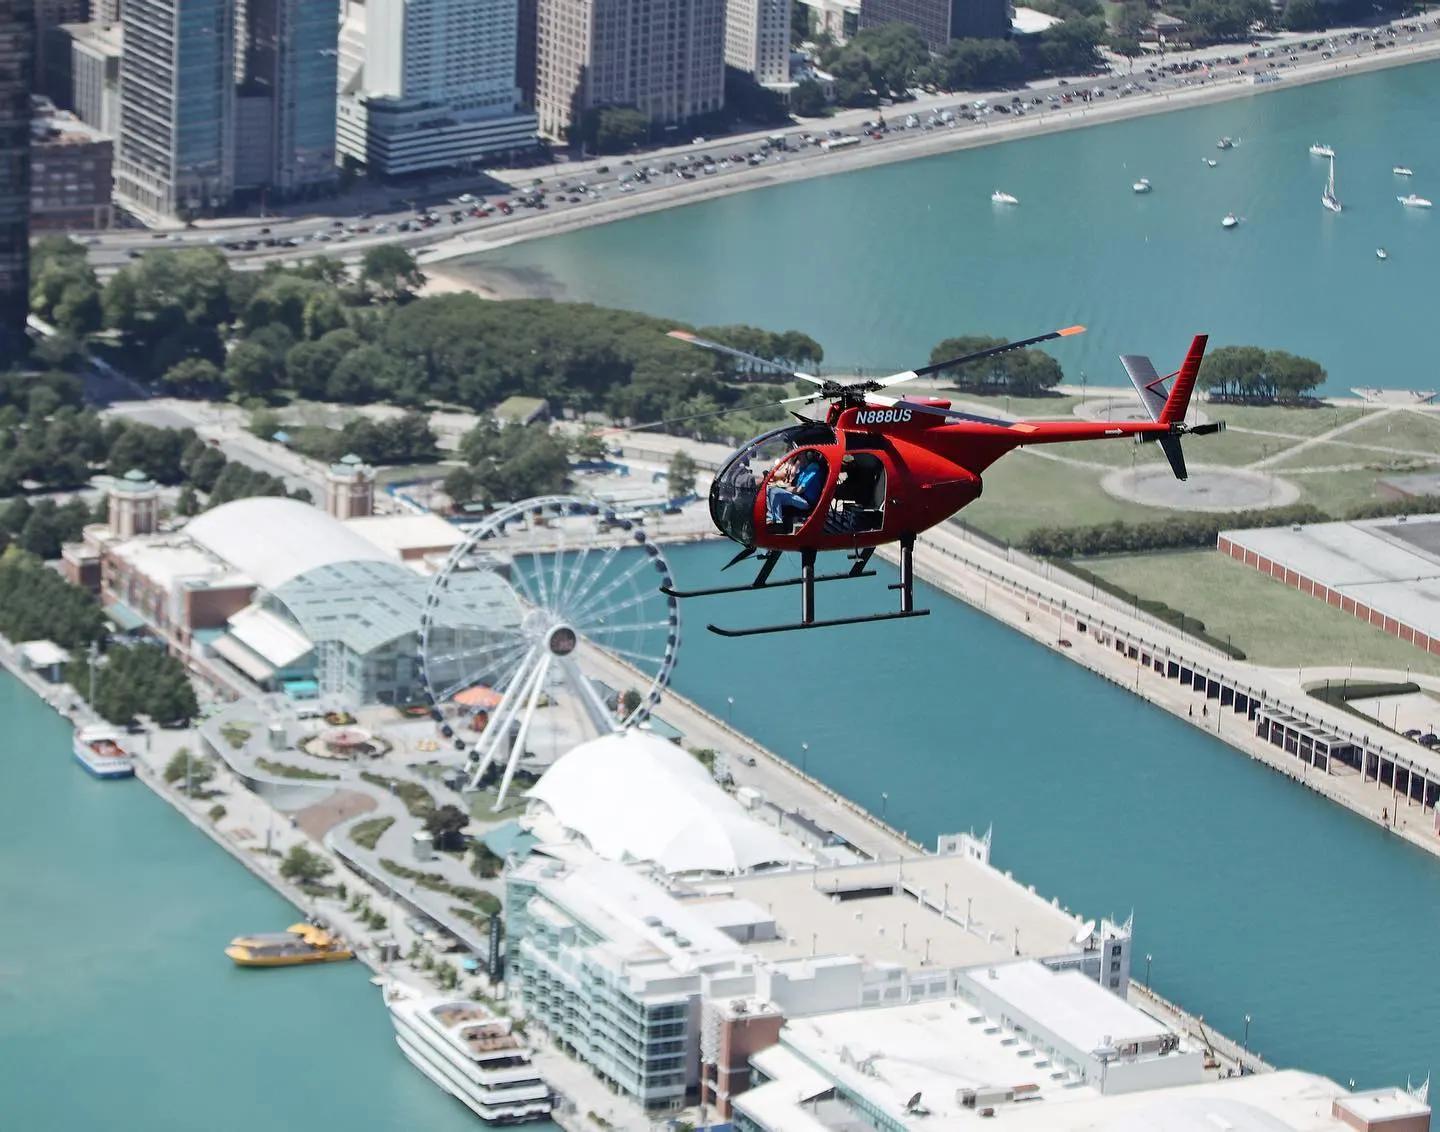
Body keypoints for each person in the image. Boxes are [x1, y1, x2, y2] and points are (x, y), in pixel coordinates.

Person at [766, 452, 825, 530]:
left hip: (806, 501)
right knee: (768, 490)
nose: (798, 457)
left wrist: (782, 488)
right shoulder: (805, 468)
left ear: (808, 455)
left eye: (801, 454)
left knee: (774, 492)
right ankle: (772, 519)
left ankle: (777, 523)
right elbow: (793, 485)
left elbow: (799, 490)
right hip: (800, 497)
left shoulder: (813, 469)